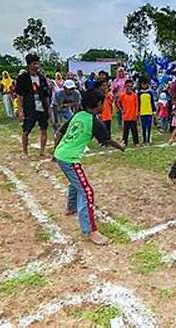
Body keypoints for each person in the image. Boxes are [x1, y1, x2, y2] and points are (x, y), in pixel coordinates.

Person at [53, 88, 125, 246]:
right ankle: (91, 231)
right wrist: (120, 147)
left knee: (76, 183)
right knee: (86, 191)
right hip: (69, 159)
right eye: (103, 103)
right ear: (97, 104)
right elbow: (107, 140)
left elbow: (59, 132)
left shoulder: (77, 115)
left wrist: (55, 151)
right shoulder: (94, 122)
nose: (104, 105)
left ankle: (71, 207)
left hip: (61, 154)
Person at [16, 53, 51, 157]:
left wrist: (48, 108)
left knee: (44, 129)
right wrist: (20, 110)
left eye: (38, 63)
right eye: (34, 63)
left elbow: (46, 95)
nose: (37, 66)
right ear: (29, 65)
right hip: (29, 107)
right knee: (26, 130)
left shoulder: (42, 78)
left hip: (42, 107)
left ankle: (42, 151)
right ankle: (25, 152)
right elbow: (20, 95)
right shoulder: (23, 78)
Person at [118, 79, 139, 146]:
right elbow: (118, 103)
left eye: (130, 86)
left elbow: (137, 106)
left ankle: (136, 142)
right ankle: (124, 142)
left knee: (134, 130)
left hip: (132, 116)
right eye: (127, 86)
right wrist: (121, 109)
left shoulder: (134, 95)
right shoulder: (122, 95)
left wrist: (136, 114)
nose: (128, 88)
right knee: (125, 131)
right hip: (126, 116)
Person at [137, 76, 156, 145]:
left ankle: (148, 140)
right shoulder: (139, 93)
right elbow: (138, 103)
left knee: (149, 127)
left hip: (149, 112)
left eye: (146, 84)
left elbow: (152, 102)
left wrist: (154, 110)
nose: (144, 85)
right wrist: (138, 111)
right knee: (143, 127)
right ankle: (144, 140)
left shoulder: (150, 93)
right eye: (143, 84)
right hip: (142, 112)